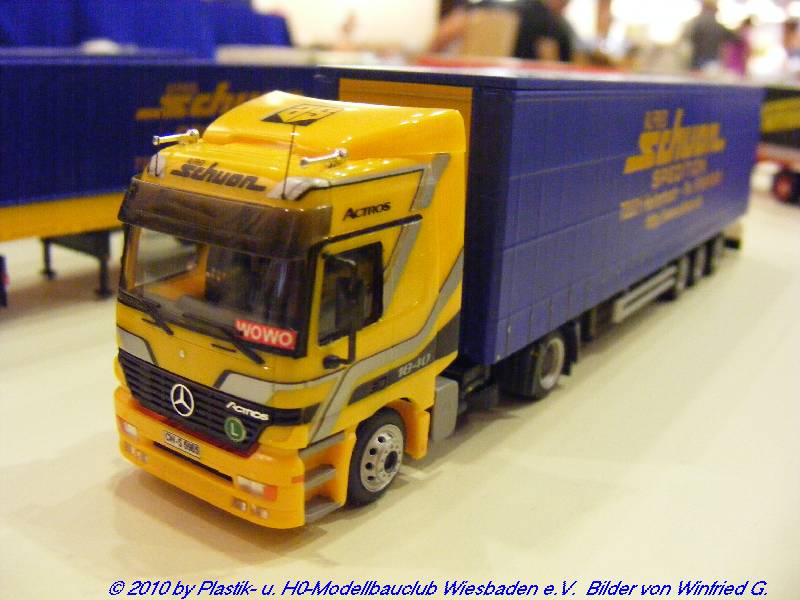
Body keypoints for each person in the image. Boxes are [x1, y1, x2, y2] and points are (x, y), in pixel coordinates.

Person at [684, 0, 735, 70]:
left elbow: (688, 39)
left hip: (697, 60)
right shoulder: (718, 26)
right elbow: (733, 38)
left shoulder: (695, 23)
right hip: (712, 60)